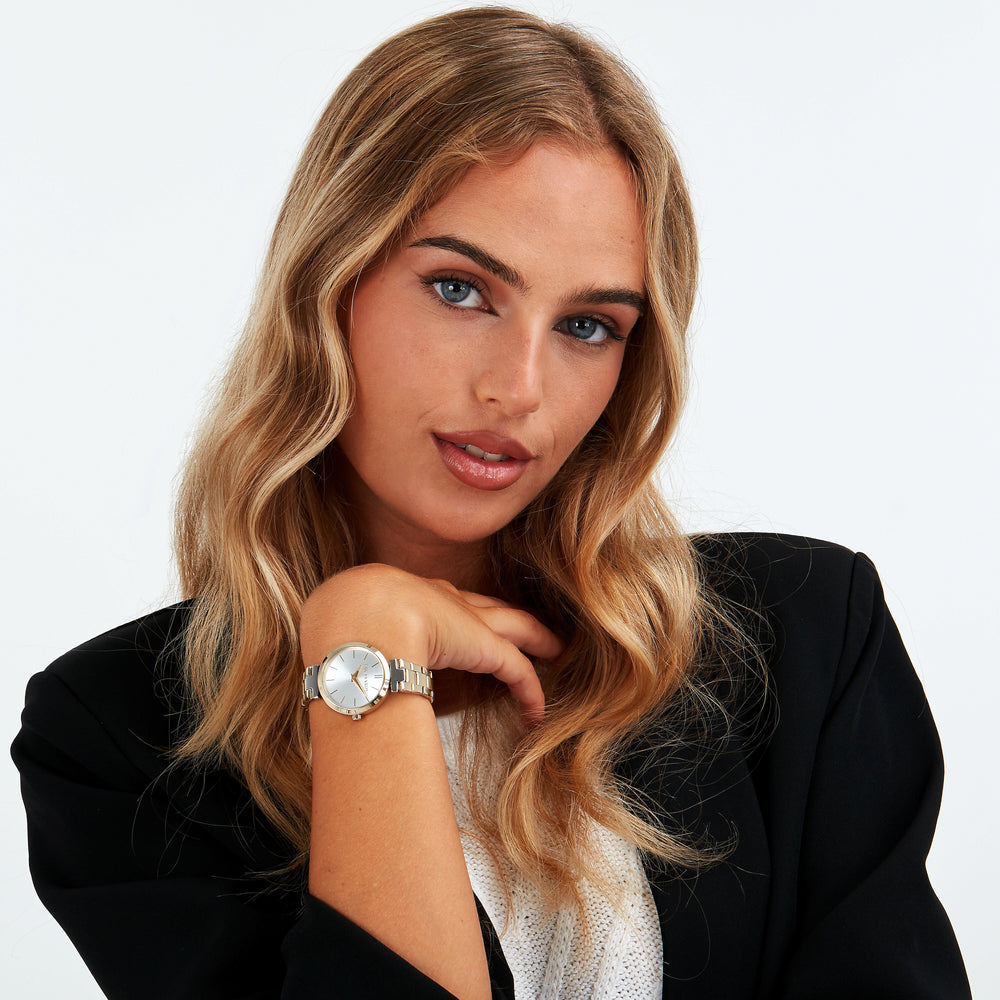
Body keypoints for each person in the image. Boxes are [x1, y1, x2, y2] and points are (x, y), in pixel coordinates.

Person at [12, 7, 970, 999]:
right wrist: (365, 652)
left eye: (588, 325)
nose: (520, 388)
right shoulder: (118, 734)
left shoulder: (802, 635)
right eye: (461, 290)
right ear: (327, 281)